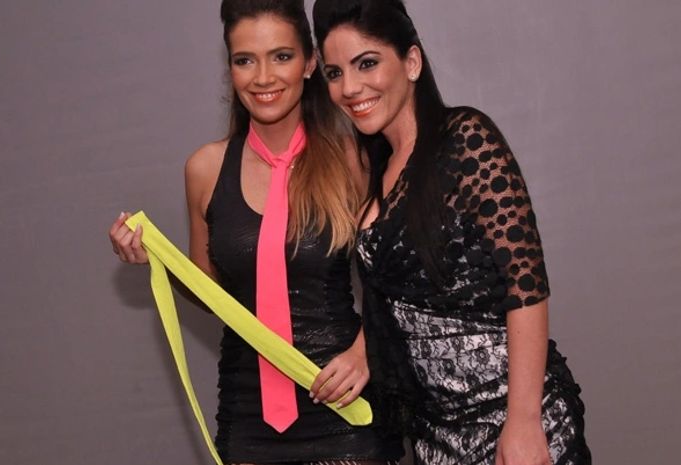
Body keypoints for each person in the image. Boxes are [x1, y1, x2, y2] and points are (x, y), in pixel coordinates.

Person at [109, 0, 403, 463]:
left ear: (309, 63)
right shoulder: (205, 169)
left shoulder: (352, 158)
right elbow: (211, 292)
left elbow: (399, 276)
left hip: (344, 407)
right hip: (247, 413)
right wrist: (158, 261)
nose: (263, 77)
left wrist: (367, 351)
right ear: (230, 69)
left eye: (281, 56)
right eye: (245, 60)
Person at [312, 1, 591, 464]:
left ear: (412, 62)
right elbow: (388, 296)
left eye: (367, 63)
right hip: (436, 436)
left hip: (510, 418)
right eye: (335, 73)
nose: (349, 87)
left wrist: (523, 422)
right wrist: (364, 349)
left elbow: (525, 285)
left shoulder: (465, 140)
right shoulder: (372, 169)